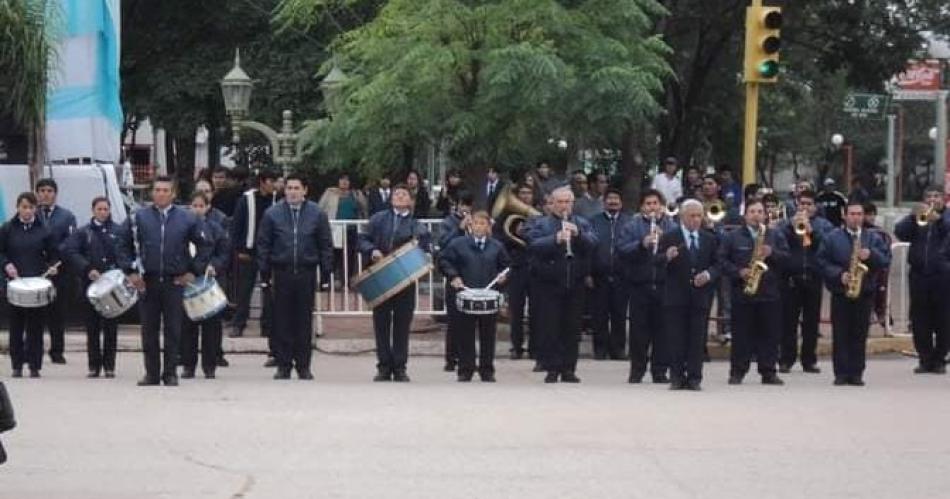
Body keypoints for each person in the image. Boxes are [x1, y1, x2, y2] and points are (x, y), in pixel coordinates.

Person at [118, 176, 213, 387]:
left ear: (173, 194)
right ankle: (151, 373)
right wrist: (130, 272)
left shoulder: (187, 218)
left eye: (165, 190)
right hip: (148, 281)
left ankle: (170, 373)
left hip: (175, 281)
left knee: (173, 329)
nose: (161, 193)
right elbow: (122, 245)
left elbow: (205, 245)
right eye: (157, 190)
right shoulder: (138, 217)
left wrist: (193, 271)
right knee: (148, 330)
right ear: (152, 193)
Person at [257, 174, 334, 380]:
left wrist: (326, 273)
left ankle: (303, 365)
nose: (292, 192)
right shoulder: (272, 214)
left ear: (305, 190)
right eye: (289, 188)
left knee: (303, 320)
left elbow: (325, 244)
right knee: (281, 320)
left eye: (296, 188)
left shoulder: (316, 214)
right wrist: (264, 272)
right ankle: (283, 364)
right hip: (281, 272)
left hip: (306, 272)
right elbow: (263, 244)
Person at [359, 184, 432, 382]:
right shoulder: (378, 219)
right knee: (381, 324)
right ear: (390, 198)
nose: (399, 196)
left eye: (404, 194)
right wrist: (371, 249)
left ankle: (400, 366)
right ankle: (383, 366)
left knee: (402, 325)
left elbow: (427, 248)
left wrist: (424, 252)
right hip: (381, 277)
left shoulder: (417, 225)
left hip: (405, 280)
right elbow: (362, 239)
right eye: (396, 194)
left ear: (411, 200)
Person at [525, 186, 598, 383]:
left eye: (568, 202)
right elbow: (533, 244)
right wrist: (555, 239)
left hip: (575, 282)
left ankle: (569, 369)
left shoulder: (582, 223)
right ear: (553, 204)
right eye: (560, 202)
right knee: (550, 327)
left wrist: (578, 235)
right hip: (549, 283)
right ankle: (552, 367)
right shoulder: (541, 224)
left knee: (572, 328)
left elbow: (593, 243)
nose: (564, 206)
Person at [817, 201, 891, 386]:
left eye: (859, 214)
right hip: (841, 293)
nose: (856, 218)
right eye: (852, 214)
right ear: (844, 215)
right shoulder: (832, 237)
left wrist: (871, 254)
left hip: (864, 292)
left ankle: (856, 373)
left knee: (859, 334)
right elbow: (821, 261)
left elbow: (885, 260)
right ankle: (841, 373)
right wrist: (838, 275)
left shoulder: (872, 238)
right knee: (840, 334)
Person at [719, 199, 789, 386]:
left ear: (765, 215)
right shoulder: (732, 236)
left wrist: (772, 252)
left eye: (760, 211)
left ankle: (768, 371)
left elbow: (787, 259)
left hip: (769, 292)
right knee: (741, 334)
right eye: (752, 211)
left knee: (770, 334)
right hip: (743, 292)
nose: (756, 215)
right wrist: (739, 271)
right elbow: (722, 261)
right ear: (745, 215)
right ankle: (737, 372)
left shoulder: (774, 235)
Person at [654, 199, 719, 390]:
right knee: (675, 338)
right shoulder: (670, 236)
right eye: (692, 216)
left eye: (699, 216)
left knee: (697, 339)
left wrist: (708, 275)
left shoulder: (709, 238)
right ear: (682, 217)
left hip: (699, 297)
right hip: (675, 296)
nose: (696, 220)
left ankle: (694, 377)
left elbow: (718, 264)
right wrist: (666, 256)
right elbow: (656, 261)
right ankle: (676, 376)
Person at [438, 211, 510, 382]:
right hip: (466, 293)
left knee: (488, 334)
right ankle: (465, 369)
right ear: (470, 226)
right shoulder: (457, 244)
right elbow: (444, 261)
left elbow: (507, 265)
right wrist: (453, 276)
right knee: (465, 333)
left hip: (488, 295)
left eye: (483, 224)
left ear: (488, 227)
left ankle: (487, 370)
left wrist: (504, 277)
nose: (479, 227)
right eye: (476, 223)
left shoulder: (497, 246)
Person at [618, 189, 677, 383]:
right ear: (642, 206)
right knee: (638, 332)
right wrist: (642, 243)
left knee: (663, 331)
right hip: (639, 285)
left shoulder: (671, 225)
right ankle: (637, 370)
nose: (652, 207)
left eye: (655, 203)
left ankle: (660, 371)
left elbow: (680, 249)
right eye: (648, 204)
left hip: (664, 284)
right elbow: (622, 249)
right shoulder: (632, 226)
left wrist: (665, 241)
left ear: (661, 205)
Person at [0, 192, 60, 378]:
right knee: (16, 327)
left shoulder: (45, 230)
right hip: (15, 283)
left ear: (36, 209)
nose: (27, 211)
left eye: (31, 207)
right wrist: (6, 264)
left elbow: (54, 255)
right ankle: (17, 365)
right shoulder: (7, 228)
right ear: (18, 207)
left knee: (36, 327)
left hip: (37, 283)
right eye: (24, 207)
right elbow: (0, 252)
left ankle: (35, 365)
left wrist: (52, 267)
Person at [61, 196, 122, 378]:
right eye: (99, 209)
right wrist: (87, 268)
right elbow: (70, 251)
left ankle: (110, 365)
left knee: (111, 327)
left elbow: (124, 251)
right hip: (91, 285)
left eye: (105, 209)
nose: (103, 212)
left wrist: (117, 269)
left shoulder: (118, 231)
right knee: (92, 327)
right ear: (93, 210)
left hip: (112, 285)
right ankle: (94, 365)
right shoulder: (83, 232)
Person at [776, 190, 833, 374]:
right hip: (791, 278)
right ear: (796, 205)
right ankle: (786, 359)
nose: (805, 208)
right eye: (802, 204)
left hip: (813, 277)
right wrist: (790, 228)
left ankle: (809, 360)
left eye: (809, 204)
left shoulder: (823, 225)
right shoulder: (786, 223)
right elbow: (779, 241)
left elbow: (827, 245)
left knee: (811, 323)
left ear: (815, 207)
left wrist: (812, 231)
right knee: (788, 322)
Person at [894, 186, 949, 374]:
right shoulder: (919, 218)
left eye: (937, 196)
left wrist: (940, 221)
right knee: (920, 319)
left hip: (943, 275)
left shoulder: (947, 217)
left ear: (944, 198)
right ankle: (925, 359)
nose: (933, 200)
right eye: (929, 197)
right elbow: (900, 232)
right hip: (919, 274)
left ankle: (940, 358)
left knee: (943, 319)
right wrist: (912, 217)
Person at [180, 192, 231, 380]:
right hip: (187, 282)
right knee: (187, 327)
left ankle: (210, 366)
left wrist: (215, 265)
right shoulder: (181, 228)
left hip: (209, 281)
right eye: (194, 205)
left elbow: (224, 253)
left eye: (201, 206)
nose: (197, 209)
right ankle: (188, 365)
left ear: (208, 208)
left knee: (212, 327)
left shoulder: (216, 229)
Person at [230, 170, 280, 344]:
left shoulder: (278, 200)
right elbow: (236, 225)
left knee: (269, 289)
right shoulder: (247, 199)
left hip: (270, 252)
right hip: (248, 251)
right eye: (271, 180)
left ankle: (267, 326)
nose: (275, 184)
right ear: (262, 182)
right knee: (244, 289)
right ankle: (238, 324)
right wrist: (238, 249)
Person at [34, 178, 76, 365]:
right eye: (42, 190)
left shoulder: (66, 217)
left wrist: (55, 263)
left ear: (55, 194)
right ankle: (34, 349)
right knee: (35, 313)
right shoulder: (31, 213)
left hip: (59, 270)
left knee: (57, 313)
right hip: (36, 271)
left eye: (49, 190)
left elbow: (70, 243)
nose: (45, 194)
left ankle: (57, 351)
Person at [588, 188, 630, 360]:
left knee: (619, 314)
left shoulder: (629, 221)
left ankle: (618, 349)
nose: (613, 201)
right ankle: (600, 349)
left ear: (621, 202)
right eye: (610, 198)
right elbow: (588, 249)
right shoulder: (594, 221)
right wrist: (588, 273)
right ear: (604, 202)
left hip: (622, 275)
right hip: (599, 275)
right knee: (599, 314)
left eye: (616, 198)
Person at [437, 190, 475, 372]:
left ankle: (467, 356)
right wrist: (459, 228)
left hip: (472, 275)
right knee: (454, 319)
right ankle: (451, 359)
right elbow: (443, 243)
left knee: (470, 319)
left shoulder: (478, 221)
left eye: (469, 205)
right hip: (454, 274)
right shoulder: (448, 222)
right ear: (457, 206)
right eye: (463, 205)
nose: (466, 209)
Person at [500, 183, 537, 359]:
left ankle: (534, 347)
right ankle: (516, 346)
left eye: (528, 193)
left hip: (536, 267)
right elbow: (501, 240)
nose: (525, 196)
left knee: (537, 310)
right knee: (516, 310)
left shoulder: (539, 216)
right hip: (517, 266)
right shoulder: (508, 217)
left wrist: (527, 235)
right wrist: (516, 236)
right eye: (522, 193)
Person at [318, 173, 368, 282]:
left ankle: (347, 281)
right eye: (342, 179)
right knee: (333, 256)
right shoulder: (330, 193)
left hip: (351, 230)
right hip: (334, 230)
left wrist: (360, 196)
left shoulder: (355, 194)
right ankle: (327, 281)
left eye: (347, 180)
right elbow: (320, 209)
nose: (344, 182)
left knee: (349, 256)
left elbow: (364, 209)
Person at [863, 203, 892, 329]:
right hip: (862, 272)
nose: (871, 217)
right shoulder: (857, 231)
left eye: (873, 214)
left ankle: (884, 319)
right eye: (868, 214)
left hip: (876, 271)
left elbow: (885, 253)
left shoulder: (879, 232)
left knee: (880, 295)